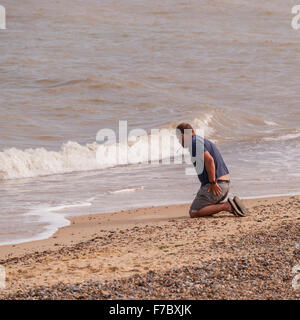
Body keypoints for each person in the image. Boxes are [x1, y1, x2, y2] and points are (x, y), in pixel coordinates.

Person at [176, 122, 248, 218]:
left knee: (194, 212)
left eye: (178, 138)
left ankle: (227, 206)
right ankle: (231, 204)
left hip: (217, 186)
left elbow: (210, 160)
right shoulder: (201, 141)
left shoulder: (194, 143)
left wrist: (212, 182)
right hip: (224, 184)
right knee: (203, 209)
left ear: (183, 135)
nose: (179, 141)